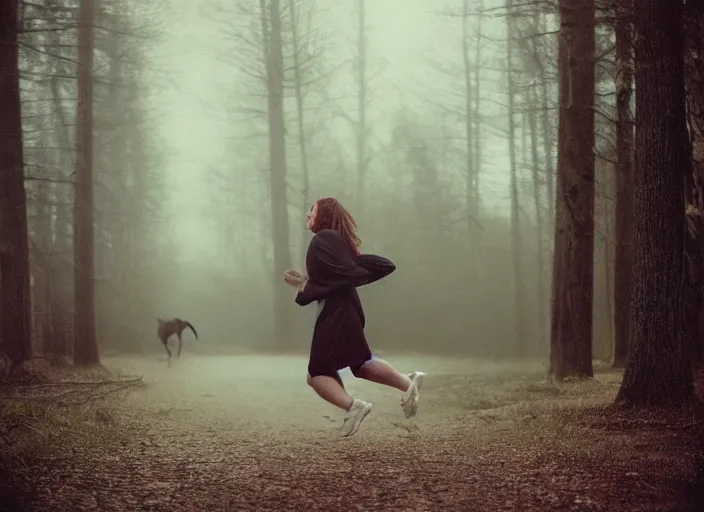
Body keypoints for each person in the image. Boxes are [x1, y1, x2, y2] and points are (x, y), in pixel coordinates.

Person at [283, 197, 425, 437]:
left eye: (313, 212)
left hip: (336, 313)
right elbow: (333, 279)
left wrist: (309, 286)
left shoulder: (323, 239)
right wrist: (305, 284)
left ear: (324, 217)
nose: (307, 216)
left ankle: (355, 407)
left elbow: (342, 276)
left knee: (317, 373)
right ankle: (408, 382)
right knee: (360, 364)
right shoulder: (331, 240)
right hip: (345, 309)